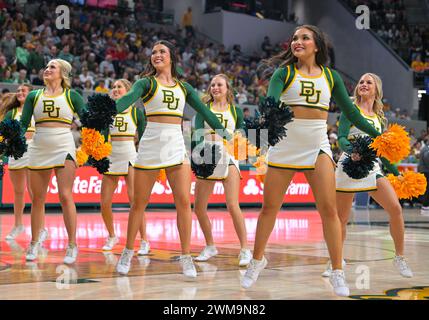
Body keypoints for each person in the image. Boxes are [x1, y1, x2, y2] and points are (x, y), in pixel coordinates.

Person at [240, 25, 381, 296]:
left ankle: (338, 271)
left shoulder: (330, 76)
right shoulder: (284, 72)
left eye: (304, 37)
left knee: (329, 211)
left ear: (317, 46)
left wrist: (380, 135)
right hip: (285, 145)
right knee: (269, 208)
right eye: (294, 38)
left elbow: (351, 112)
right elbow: (269, 103)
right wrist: (262, 124)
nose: (297, 41)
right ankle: (257, 260)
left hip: (317, 146)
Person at [114, 40, 230, 278]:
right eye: (153, 51)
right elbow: (128, 99)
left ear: (172, 57)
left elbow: (205, 111)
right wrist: (109, 108)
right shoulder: (145, 83)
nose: (156, 54)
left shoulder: (184, 87)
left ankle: (186, 256)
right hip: (150, 144)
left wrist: (227, 133)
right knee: (138, 203)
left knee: (183, 203)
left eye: (162, 51)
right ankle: (127, 250)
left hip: (176, 145)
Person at [330, 73, 413, 278]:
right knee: (341, 218)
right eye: (361, 82)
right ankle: (336, 261)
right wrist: (352, 151)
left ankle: (400, 257)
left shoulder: (379, 117)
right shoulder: (350, 110)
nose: (364, 84)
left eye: (369, 82)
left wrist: (397, 173)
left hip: (372, 167)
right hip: (349, 164)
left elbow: (382, 151)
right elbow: (341, 138)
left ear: (377, 90)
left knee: (395, 209)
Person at [19, 59, 87, 264]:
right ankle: (34, 241)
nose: (47, 70)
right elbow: (23, 125)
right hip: (39, 145)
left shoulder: (72, 95)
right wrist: (11, 139)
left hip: (63, 146)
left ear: (62, 73)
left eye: (52, 67)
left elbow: (88, 122)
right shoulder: (34, 96)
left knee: (65, 195)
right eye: (46, 67)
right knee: (38, 198)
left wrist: (89, 145)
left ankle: (72, 244)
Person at [193, 74, 252, 266]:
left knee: (232, 205)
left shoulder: (236, 111)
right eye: (212, 85)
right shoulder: (203, 110)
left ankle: (245, 249)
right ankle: (210, 245)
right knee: (199, 207)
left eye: (219, 84)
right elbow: (196, 136)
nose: (215, 87)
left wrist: (238, 139)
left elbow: (242, 133)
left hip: (229, 158)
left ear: (228, 88)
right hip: (207, 158)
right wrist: (203, 150)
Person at [100, 79, 150, 255]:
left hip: (130, 155)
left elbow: (144, 137)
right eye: (113, 87)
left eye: (119, 87)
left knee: (135, 200)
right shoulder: (107, 112)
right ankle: (112, 235)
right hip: (111, 155)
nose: (115, 89)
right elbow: (102, 136)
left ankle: (144, 239)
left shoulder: (137, 113)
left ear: (128, 91)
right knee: (104, 202)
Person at [0, 84, 48, 242]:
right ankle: (18, 225)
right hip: (16, 152)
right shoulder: (11, 113)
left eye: (24, 91)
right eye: (19, 90)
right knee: (18, 192)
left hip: (35, 151)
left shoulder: (38, 110)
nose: (20, 92)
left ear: (31, 94)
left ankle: (41, 228)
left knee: (35, 193)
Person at [418, 138, 429, 215]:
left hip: (424, 171)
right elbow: (426, 158)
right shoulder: (426, 148)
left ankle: (425, 207)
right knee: (427, 190)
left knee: (426, 190)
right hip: (426, 171)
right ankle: (425, 207)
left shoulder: (425, 148)